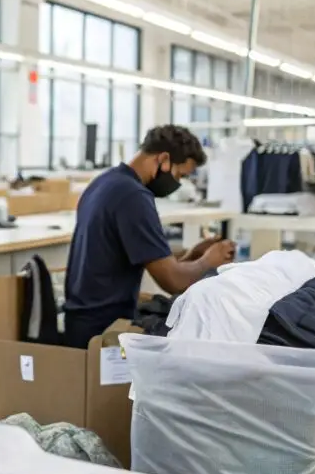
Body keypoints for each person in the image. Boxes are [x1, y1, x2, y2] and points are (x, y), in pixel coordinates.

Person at [62, 125, 236, 349]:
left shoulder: (104, 182)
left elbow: (157, 263)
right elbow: (173, 281)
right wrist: (208, 261)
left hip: (81, 324)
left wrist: (195, 255)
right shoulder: (133, 196)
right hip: (104, 331)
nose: (177, 184)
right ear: (163, 159)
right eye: (179, 175)